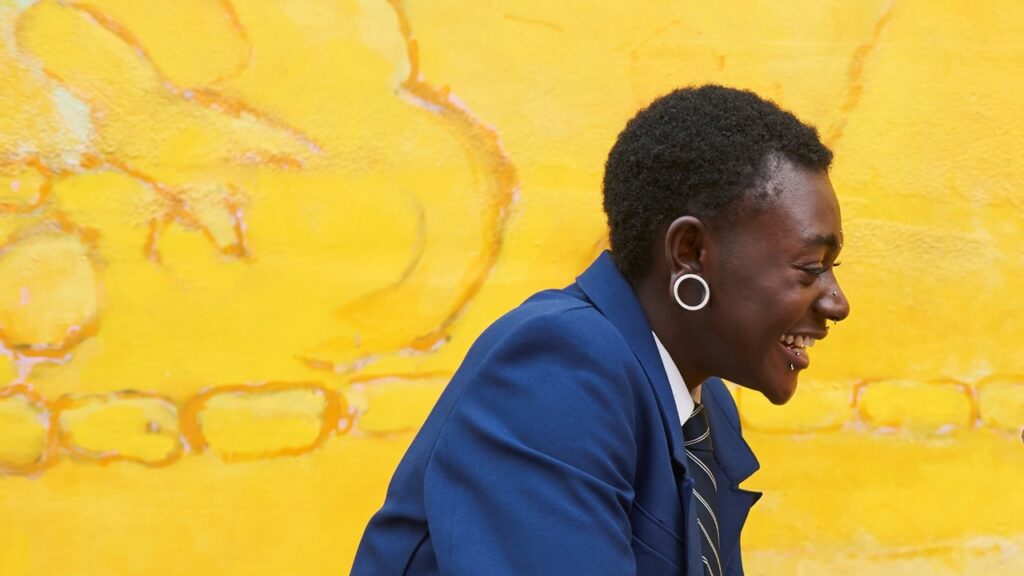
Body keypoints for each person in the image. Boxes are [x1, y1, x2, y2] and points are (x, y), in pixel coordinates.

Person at [351, 85, 851, 575]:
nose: (837, 302)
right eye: (810, 267)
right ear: (691, 252)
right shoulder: (558, 368)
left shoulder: (702, 403)